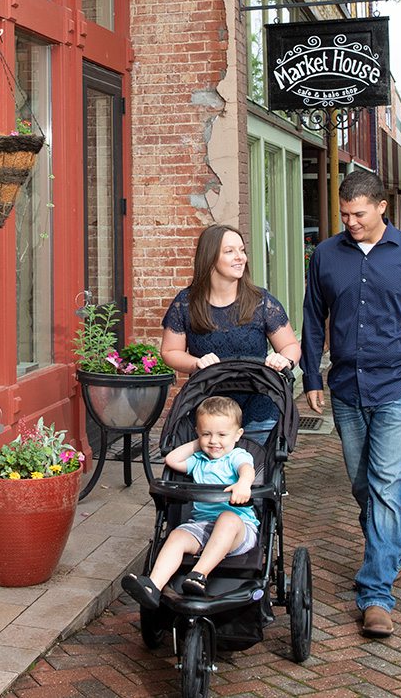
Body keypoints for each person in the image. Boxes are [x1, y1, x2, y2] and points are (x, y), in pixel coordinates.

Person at [300, 170, 401, 639]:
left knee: (387, 485)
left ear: (381, 207)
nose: (350, 222)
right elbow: (312, 316)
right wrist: (311, 375)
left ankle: (376, 592)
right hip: (347, 388)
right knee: (363, 486)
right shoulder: (327, 255)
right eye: (344, 214)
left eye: (358, 214)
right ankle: (385, 551)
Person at [161, 224, 301, 440]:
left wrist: (284, 360)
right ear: (210, 258)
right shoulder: (186, 303)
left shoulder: (261, 302)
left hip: (258, 410)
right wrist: (195, 363)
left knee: (253, 471)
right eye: (230, 251)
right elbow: (170, 351)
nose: (240, 257)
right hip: (208, 413)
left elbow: (290, 346)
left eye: (242, 250)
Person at [121, 396, 258, 607]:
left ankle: (198, 575)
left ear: (238, 435)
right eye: (207, 434)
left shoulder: (237, 456)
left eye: (222, 435)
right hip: (202, 527)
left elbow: (246, 469)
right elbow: (171, 460)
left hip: (238, 530)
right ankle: (153, 586)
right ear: (197, 433)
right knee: (176, 536)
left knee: (227, 518)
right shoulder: (198, 461)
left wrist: (244, 484)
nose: (214, 441)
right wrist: (199, 442)